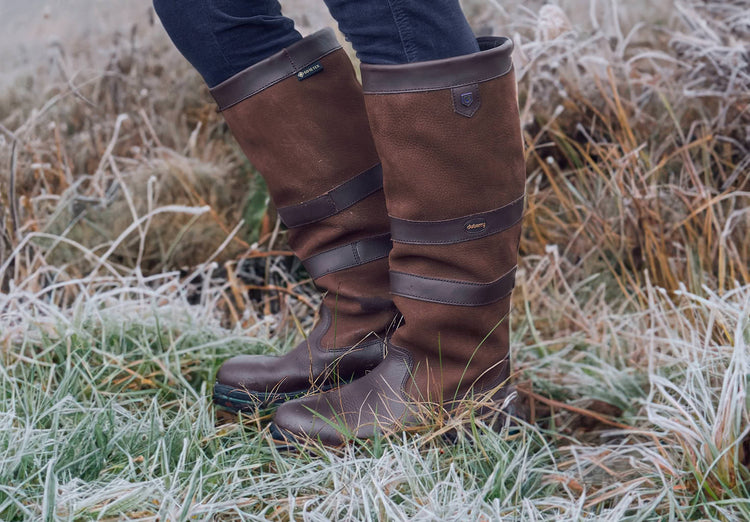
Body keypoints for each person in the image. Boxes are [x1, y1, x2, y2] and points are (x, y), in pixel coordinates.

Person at [152, 0, 526, 446]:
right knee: (204, 14)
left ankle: (455, 371)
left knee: (390, 12)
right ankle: (365, 318)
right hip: (364, 316)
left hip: (453, 364)